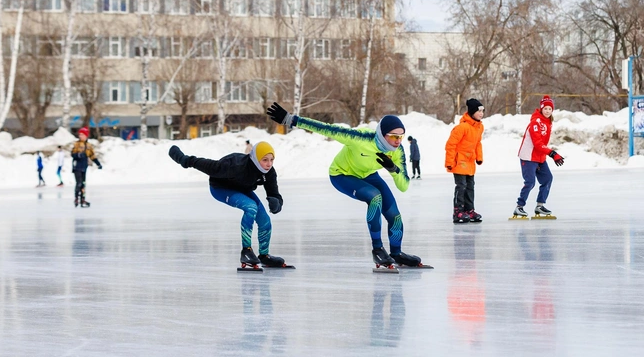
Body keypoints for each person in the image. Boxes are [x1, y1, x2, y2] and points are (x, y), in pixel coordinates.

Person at [266, 102, 426, 268]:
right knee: (375, 198)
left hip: (368, 175)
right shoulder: (360, 138)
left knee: (394, 214)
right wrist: (291, 119)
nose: (397, 141)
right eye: (394, 136)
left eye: (401, 136)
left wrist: (393, 169)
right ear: (382, 134)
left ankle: (396, 253)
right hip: (342, 174)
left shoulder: (398, 151)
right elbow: (327, 128)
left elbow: (404, 185)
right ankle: (377, 250)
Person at [168, 141, 289, 268]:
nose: (269, 164)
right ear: (256, 158)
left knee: (265, 220)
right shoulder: (235, 165)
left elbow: (274, 193)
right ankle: (246, 251)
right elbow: (209, 165)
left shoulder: (269, 172)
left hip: (242, 189)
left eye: (271, 160)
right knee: (251, 207)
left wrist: (276, 202)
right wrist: (184, 159)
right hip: (220, 188)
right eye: (265, 160)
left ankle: (264, 256)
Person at [513, 95, 564, 218]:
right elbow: (537, 143)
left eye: (550, 109)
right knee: (530, 182)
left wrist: (547, 153)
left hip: (540, 157)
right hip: (529, 156)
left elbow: (542, 144)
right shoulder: (535, 122)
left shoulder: (548, 122)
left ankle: (539, 206)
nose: (547, 111)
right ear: (541, 109)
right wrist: (552, 153)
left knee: (547, 179)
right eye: (545, 108)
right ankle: (519, 207)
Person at [445, 98, 485, 223]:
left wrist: (479, 157)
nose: (481, 113)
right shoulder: (462, 127)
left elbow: (478, 143)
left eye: (482, 111)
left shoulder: (479, 127)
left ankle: (469, 210)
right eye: (479, 111)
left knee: (470, 187)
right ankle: (458, 211)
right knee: (461, 186)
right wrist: (449, 162)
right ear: (472, 112)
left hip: (470, 163)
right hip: (459, 162)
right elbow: (450, 145)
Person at [71, 127, 102, 207]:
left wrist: (98, 164)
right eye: (80, 134)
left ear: (86, 136)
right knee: (79, 183)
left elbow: (92, 155)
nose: (80, 136)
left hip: (84, 167)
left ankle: (82, 198)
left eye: (82, 134)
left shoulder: (88, 145)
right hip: (77, 166)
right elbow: (73, 154)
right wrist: (79, 155)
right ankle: (76, 198)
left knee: (83, 184)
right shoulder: (77, 144)